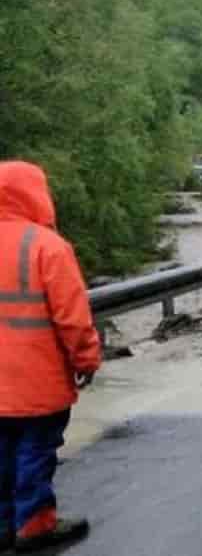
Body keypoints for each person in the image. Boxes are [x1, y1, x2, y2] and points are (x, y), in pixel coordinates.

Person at [0, 161, 100, 552]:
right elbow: (73, 318)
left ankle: (5, 522)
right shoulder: (47, 247)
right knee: (35, 451)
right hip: (37, 380)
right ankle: (34, 523)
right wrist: (86, 360)